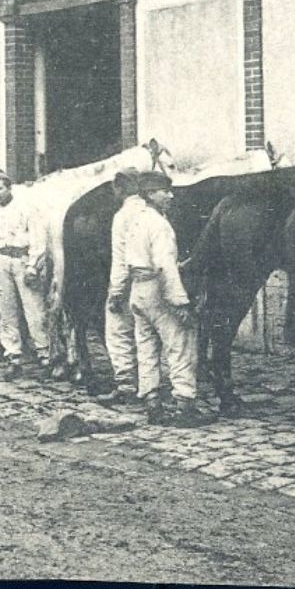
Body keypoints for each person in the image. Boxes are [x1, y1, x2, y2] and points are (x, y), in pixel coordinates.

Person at [116, 170, 206, 426]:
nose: (170, 195)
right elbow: (165, 265)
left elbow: (127, 260)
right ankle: (185, 406)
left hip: (138, 289)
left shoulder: (135, 221)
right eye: (165, 191)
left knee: (146, 348)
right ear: (150, 194)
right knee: (181, 343)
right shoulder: (159, 224)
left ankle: (152, 403)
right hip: (158, 289)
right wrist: (180, 302)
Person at [0, 166, 52, 380]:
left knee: (34, 309)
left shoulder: (26, 209)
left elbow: (38, 240)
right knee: (6, 311)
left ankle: (44, 354)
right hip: (2, 262)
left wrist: (32, 266)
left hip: (22, 260)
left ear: (9, 188)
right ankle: (13, 356)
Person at [97, 168, 144, 404]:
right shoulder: (152, 212)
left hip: (129, 283)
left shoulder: (122, 216)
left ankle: (126, 385)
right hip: (151, 282)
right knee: (147, 336)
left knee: (118, 333)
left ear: (120, 188)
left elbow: (120, 258)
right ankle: (150, 386)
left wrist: (116, 293)